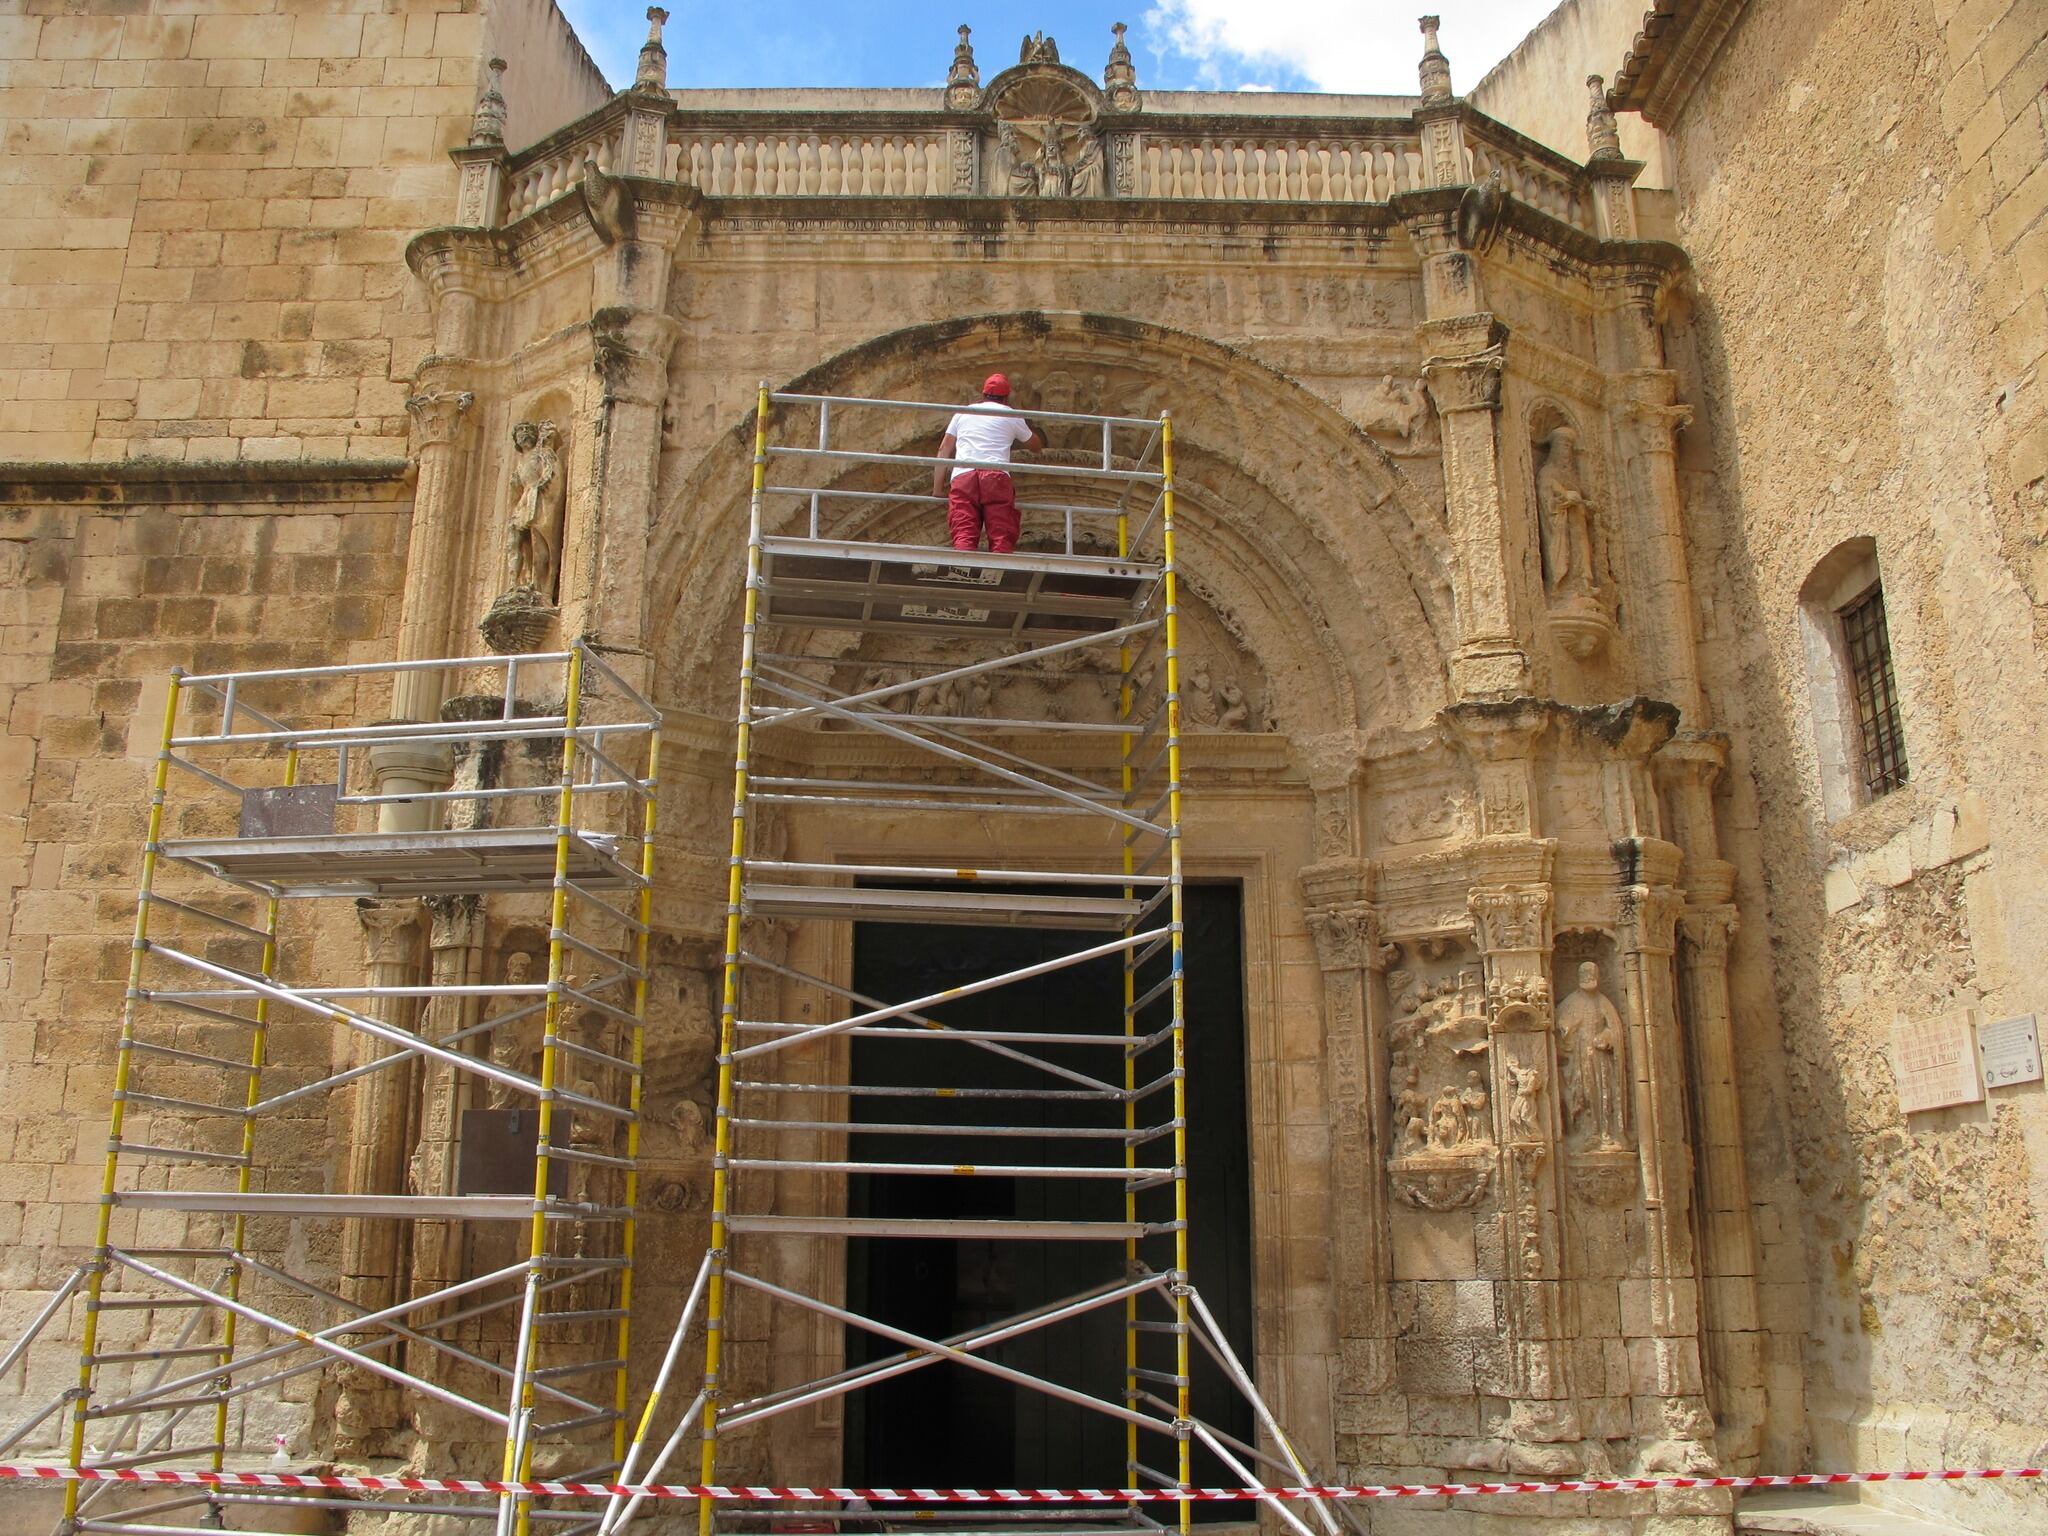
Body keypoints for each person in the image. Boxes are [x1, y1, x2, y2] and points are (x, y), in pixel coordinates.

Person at [932, 374, 1040, 554]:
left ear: (983, 395)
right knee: (1001, 531)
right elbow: (1035, 446)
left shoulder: (964, 412)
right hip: (995, 475)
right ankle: (997, 570)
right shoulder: (1011, 414)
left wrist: (937, 490)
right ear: (1006, 398)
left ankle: (963, 568)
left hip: (964, 476)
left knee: (964, 529)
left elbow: (944, 449)